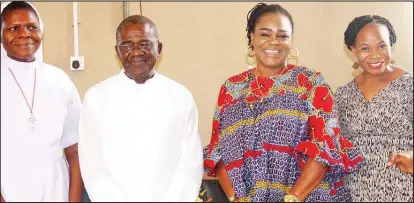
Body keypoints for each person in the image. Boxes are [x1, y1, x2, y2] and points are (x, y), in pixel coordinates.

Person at [203, 3, 364, 202]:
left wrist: (292, 198)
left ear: (290, 41)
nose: (274, 42)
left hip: (306, 198)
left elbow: (325, 147)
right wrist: (235, 198)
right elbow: (219, 152)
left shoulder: (311, 83)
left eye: (282, 35)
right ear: (251, 38)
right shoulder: (231, 89)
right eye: (265, 34)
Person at [78, 15, 203, 202]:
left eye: (144, 44)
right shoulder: (96, 97)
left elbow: (190, 163)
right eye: (127, 46)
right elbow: (92, 166)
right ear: (117, 51)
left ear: (158, 48)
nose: (136, 52)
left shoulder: (180, 96)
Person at [0, 1, 83, 202]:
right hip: (9, 187)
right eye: (14, 28)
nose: (24, 34)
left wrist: (73, 199)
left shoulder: (59, 80)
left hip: (56, 188)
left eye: (32, 27)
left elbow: (75, 150)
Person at [336, 15, 413, 202]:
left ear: (391, 45)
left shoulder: (409, 85)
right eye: (365, 48)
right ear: (353, 50)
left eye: (382, 46)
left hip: (402, 189)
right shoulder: (343, 94)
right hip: (354, 191)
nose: (375, 55)